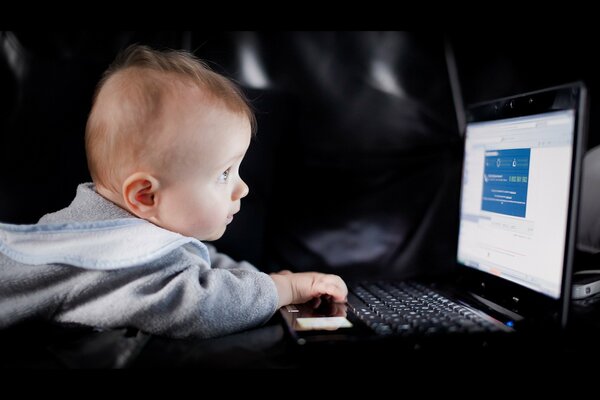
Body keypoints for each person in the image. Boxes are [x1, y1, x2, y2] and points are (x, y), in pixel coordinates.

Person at [0, 44, 347, 339]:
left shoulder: (130, 231)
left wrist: (261, 281)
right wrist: (281, 290)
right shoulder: (110, 256)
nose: (242, 188)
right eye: (224, 173)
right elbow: (198, 306)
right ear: (146, 196)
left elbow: (196, 262)